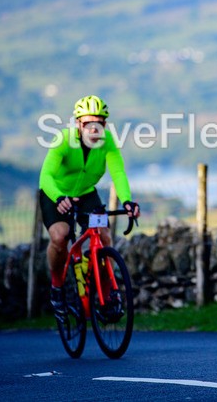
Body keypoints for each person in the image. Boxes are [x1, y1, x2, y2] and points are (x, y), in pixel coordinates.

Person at [39, 94, 140, 321]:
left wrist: (127, 201)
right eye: (88, 124)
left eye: (100, 124)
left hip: (86, 194)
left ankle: (106, 295)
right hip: (57, 194)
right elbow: (46, 176)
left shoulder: (108, 143)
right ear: (78, 124)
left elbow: (119, 173)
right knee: (60, 236)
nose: (94, 129)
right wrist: (58, 197)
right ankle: (57, 288)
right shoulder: (64, 139)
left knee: (104, 235)